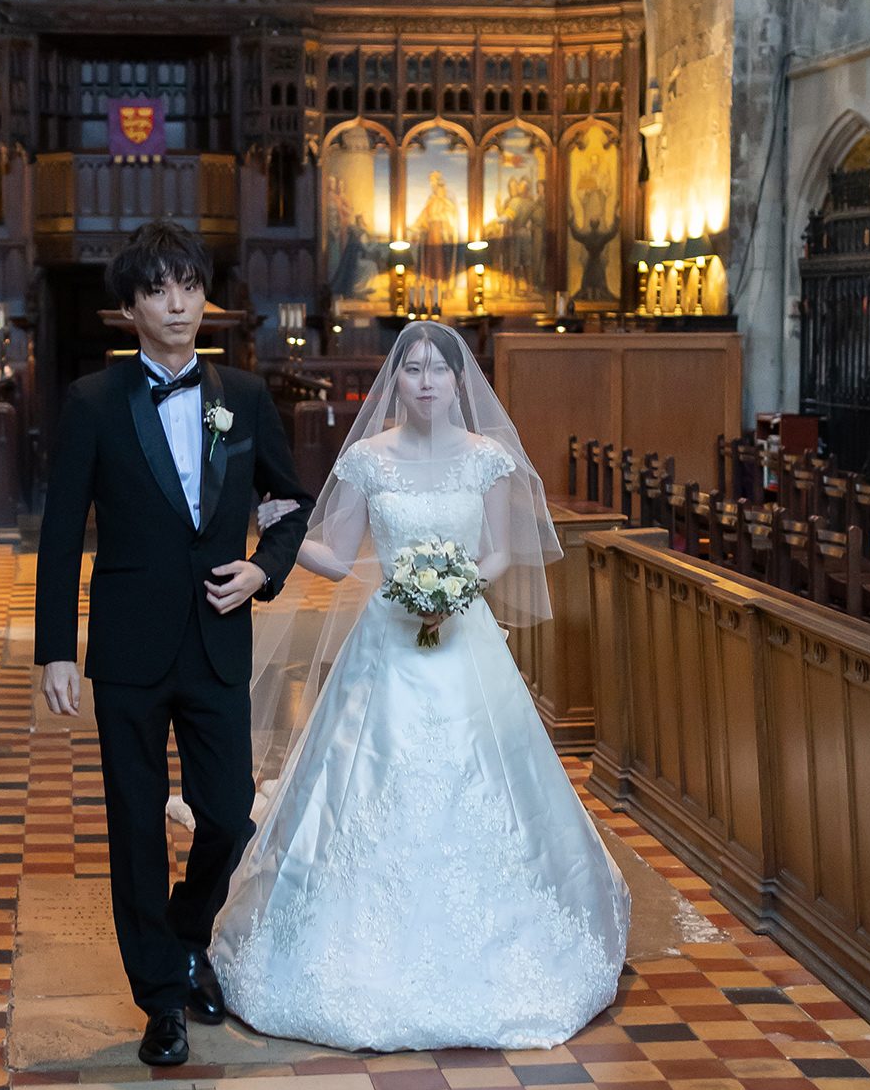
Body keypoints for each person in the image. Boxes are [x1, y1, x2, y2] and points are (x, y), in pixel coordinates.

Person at [211, 321, 629, 1051]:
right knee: (366, 775)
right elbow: (341, 557)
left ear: (459, 380)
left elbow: (498, 552)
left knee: (487, 777)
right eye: (414, 369)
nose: (427, 382)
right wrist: (277, 530)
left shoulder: (487, 459)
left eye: (440, 369)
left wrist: (456, 588)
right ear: (395, 380)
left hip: (464, 639)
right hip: (386, 644)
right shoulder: (368, 461)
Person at [34, 223, 313, 1068]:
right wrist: (55, 648)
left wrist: (263, 570)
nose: (178, 304)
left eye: (189, 286)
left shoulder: (245, 396)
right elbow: (59, 532)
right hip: (128, 645)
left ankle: (189, 937)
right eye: (158, 290)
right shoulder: (92, 402)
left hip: (218, 638)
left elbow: (290, 505)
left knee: (227, 814)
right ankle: (160, 997)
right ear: (131, 308)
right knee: (135, 827)